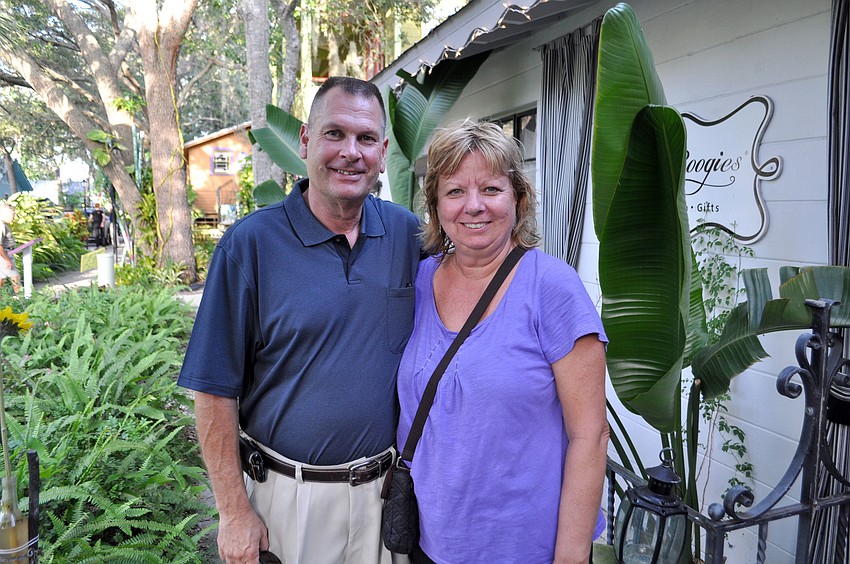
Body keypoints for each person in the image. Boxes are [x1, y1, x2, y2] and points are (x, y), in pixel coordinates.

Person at [178, 77, 420, 564]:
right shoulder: (250, 246)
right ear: (306, 140)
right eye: (335, 134)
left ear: (382, 152)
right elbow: (213, 392)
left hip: (384, 501)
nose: (350, 152)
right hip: (288, 504)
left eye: (366, 138)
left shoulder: (406, 234)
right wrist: (233, 512)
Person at [396, 120, 609, 564]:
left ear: (518, 198)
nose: (473, 206)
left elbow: (589, 435)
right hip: (428, 542)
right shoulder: (417, 282)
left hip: (524, 548)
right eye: (455, 191)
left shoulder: (551, 288)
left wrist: (571, 557)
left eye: (491, 189)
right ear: (435, 205)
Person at [0, 202, 21, 294]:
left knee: (2, 278)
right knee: (15, 277)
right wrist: (7, 260)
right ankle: (21, 298)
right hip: (4, 255)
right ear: (4, 214)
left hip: (6, 254)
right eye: (12, 214)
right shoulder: (1, 226)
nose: (14, 217)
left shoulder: (4, 224)